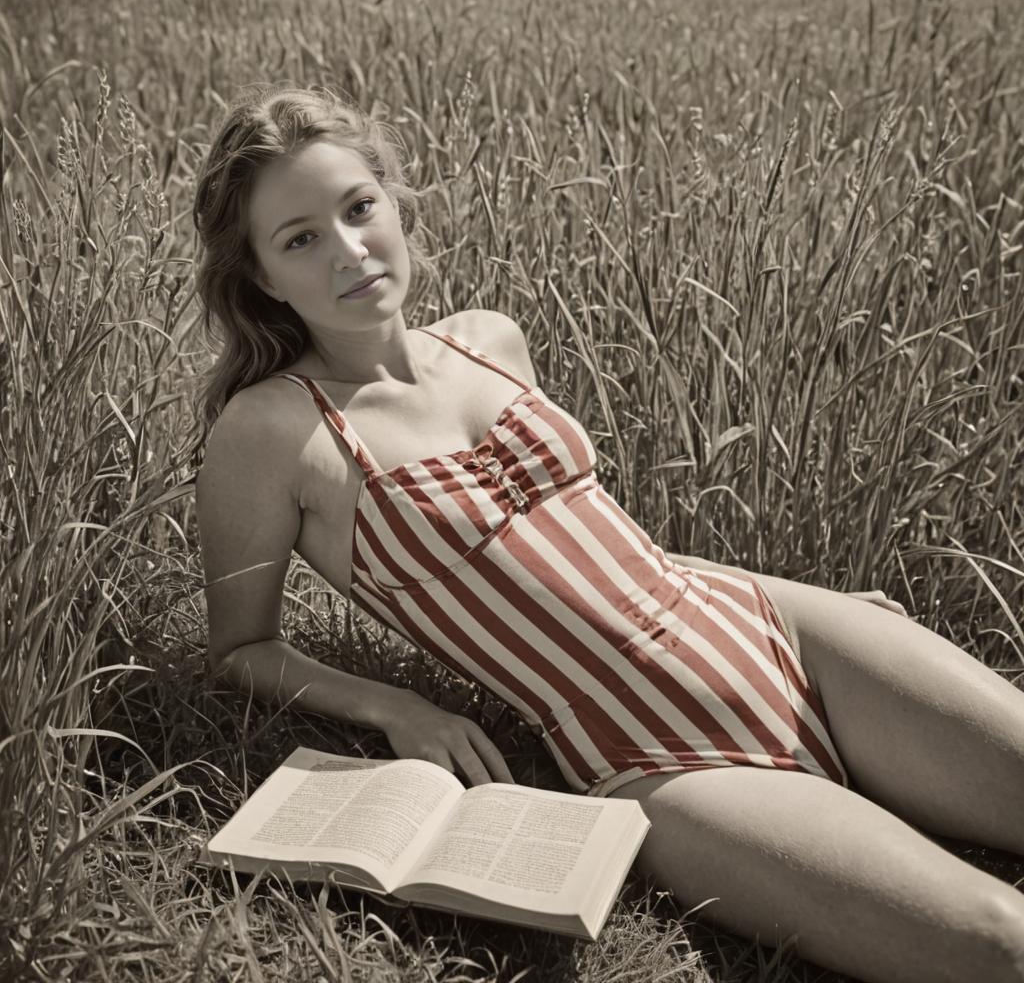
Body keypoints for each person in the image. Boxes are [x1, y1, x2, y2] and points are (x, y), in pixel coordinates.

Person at [191, 83, 1024, 983]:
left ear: (393, 200)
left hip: (776, 630)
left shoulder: (487, 340)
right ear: (264, 278)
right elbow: (242, 645)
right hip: (655, 758)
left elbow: (599, 542)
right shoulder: (273, 431)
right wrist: (397, 706)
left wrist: (811, 603)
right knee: (995, 940)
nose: (350, 250)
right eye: (301, 238)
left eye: (359, 208)